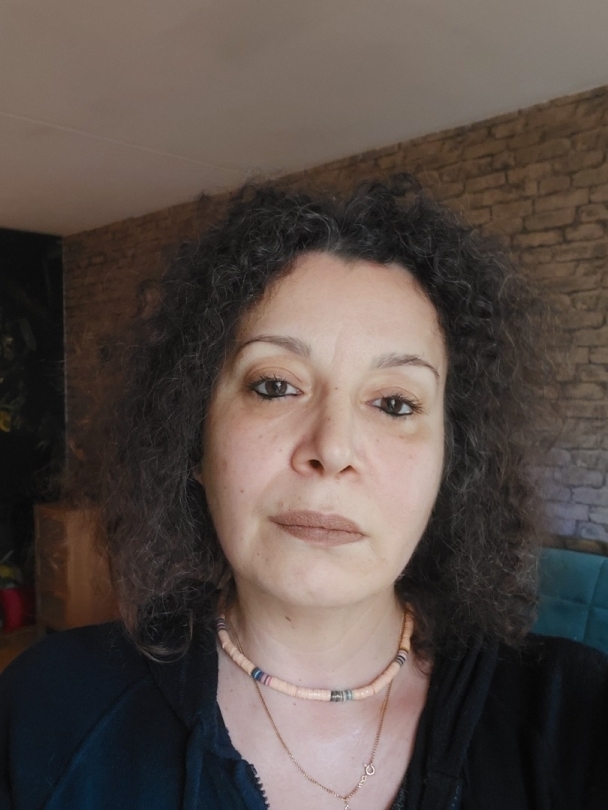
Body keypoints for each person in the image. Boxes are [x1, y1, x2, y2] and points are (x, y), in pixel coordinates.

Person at [1, 177, 607, 810]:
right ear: (192, 438)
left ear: (451, 463)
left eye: (395, 403)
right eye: (274, 386)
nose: (333, 447)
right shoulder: (49, 712)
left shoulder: (575, 721)